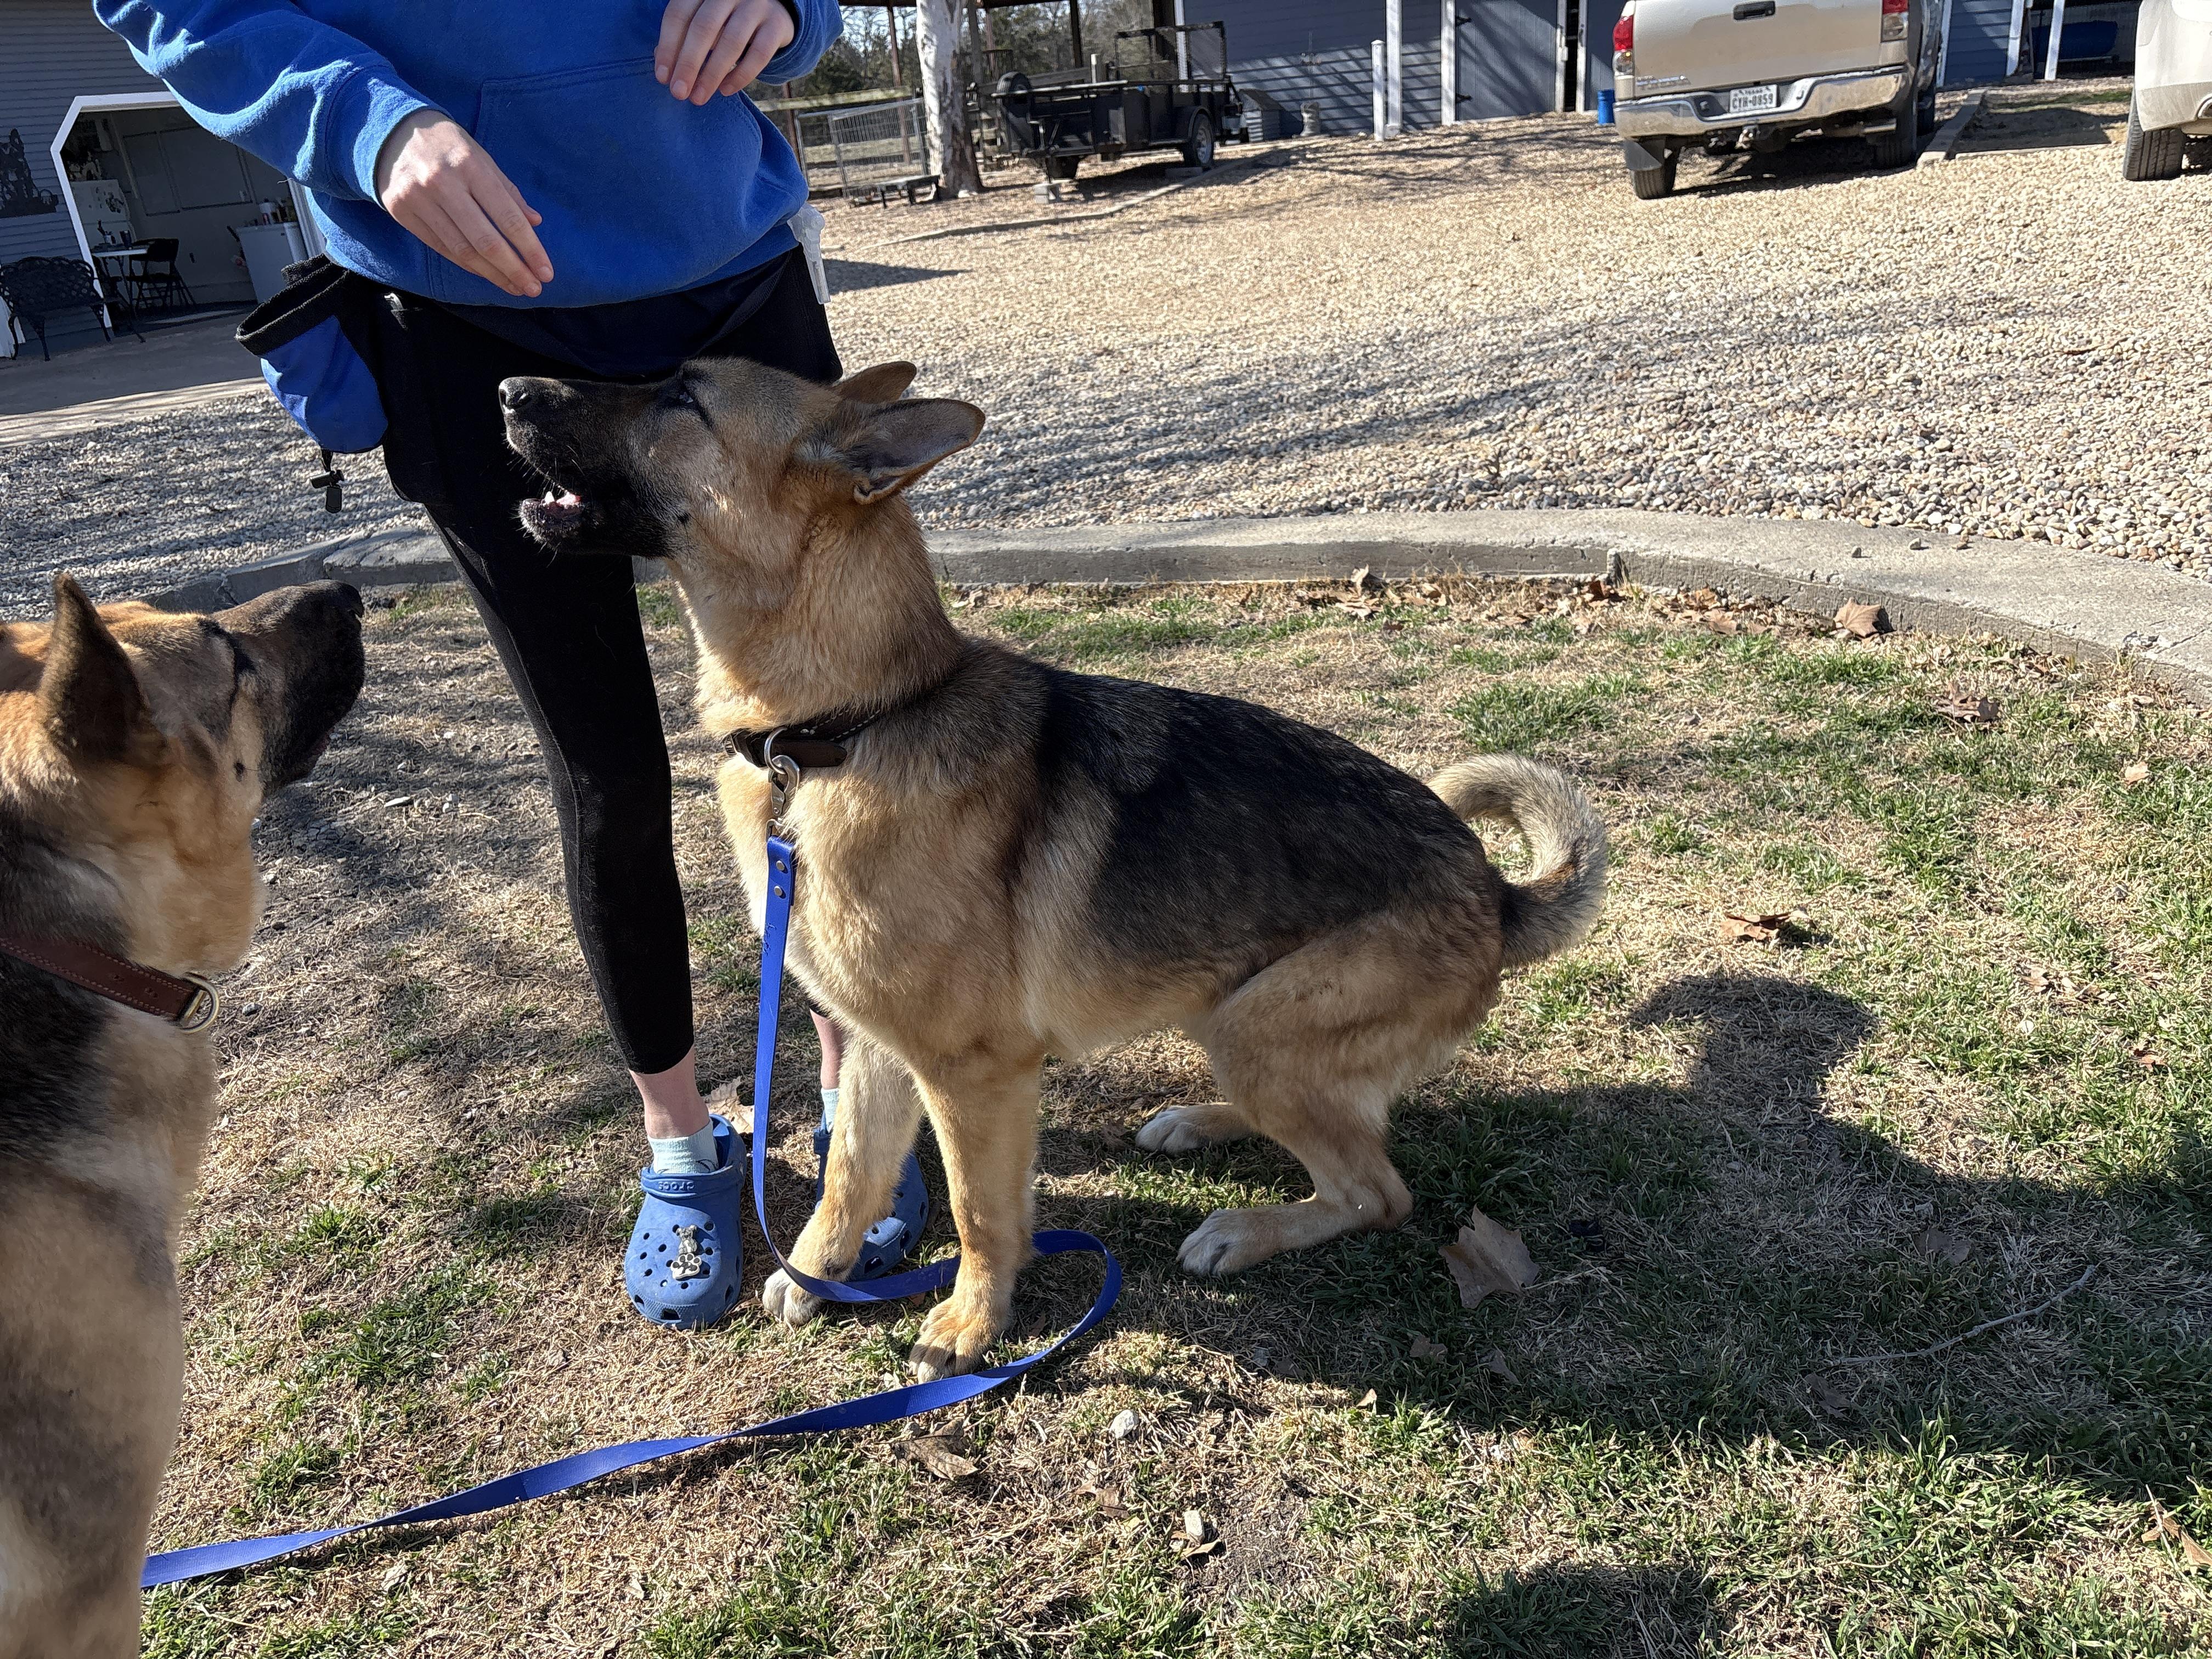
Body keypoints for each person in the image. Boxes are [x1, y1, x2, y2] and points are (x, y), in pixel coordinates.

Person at [98, 0, 926, 1329]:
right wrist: (360, 120)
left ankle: (854, 1103)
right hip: (463, 304)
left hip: (733, 283)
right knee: (600, 762)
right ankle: (678, 1140)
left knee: (833, 736)